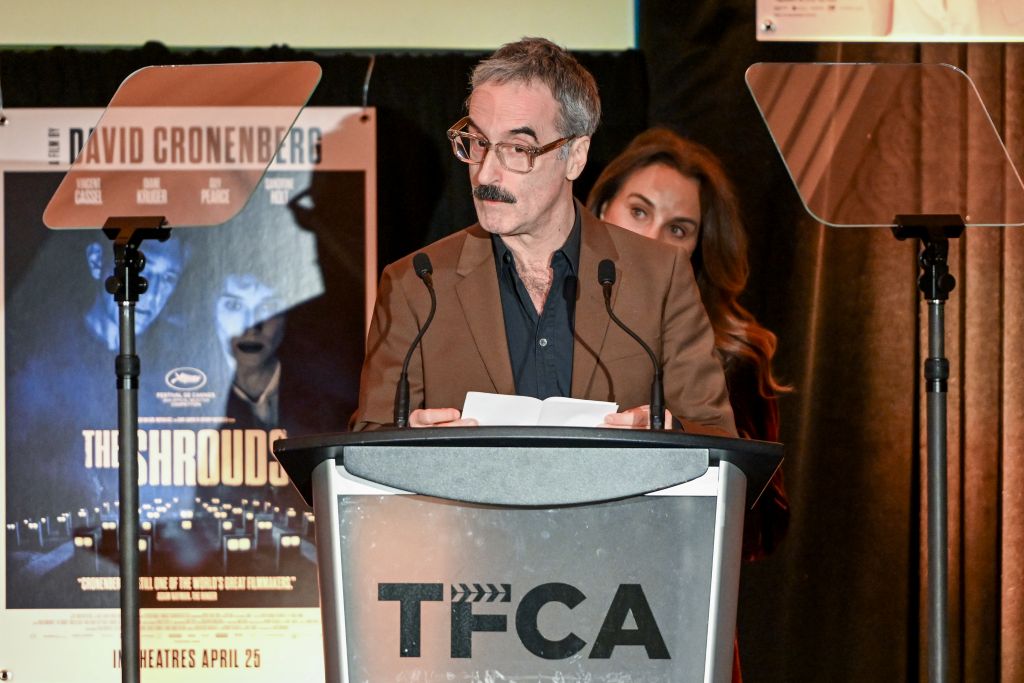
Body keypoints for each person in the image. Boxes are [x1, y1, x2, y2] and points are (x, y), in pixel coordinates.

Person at [350, 38, 735, 436]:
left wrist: (669, 433)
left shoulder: (660, 276)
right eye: (478, 143)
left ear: (576, 157)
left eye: (518, 149)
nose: (485, 174)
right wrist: (403, 440)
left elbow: (717, 436)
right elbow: (365, 441)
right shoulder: (416, 284)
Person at [587, 128, 790, 682]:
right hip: (544, 604)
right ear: (601, 210)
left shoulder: (732, 356)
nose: (653, 238)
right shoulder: (537, 326)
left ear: (698, 247)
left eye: (677, 229)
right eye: (638, 211)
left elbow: (765, 526)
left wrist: (684, 446)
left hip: (674, 620)